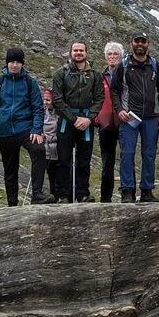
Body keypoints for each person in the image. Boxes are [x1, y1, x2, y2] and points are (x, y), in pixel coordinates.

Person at [0, 47, 46, 205]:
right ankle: (12, 203)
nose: (14, 65)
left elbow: (38, 107)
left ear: (22, 64)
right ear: (6, 64)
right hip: (5, 131)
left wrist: (37, 129)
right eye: (11, 62)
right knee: (10, 169)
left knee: (39, 150)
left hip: (25, 128)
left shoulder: (29, 82)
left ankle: (37, 194)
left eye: (17, 62)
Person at [111, 32, 159, 203]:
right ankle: (127, 191)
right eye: (137, 41)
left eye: (143, 41)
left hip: (151, 117)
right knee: (127, 153)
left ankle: (147, 191)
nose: (140, 44)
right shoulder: (123, 65)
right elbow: (114, 90)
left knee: (149, 154)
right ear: (131, 43)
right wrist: (119, 109)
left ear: (148, 44)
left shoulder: (155, 66)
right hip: (129, 117)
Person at [52, 42, 103, 203]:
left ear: (86, 52)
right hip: (67, 122)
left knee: (84, 160)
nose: (78, 53)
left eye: (81, 50)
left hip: (87, 121)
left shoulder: (95, 74)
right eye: (76, 50)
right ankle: (63, 195)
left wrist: (89, 118)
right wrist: (73, 119)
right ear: (71, 53)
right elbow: (57, 99)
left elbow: (100, 98)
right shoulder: (61, 73)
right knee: (63, 159)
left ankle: (83, 194)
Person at [95, 43, 123, 203]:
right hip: (105, 124)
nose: (112, 57)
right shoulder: (100, 76)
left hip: (124, 123)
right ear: (105, 57)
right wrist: (96, 118)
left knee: (127, 158)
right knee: (107, 163)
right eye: (110, 54)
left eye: (116, 54)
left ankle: (129, 194)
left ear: (120, 57)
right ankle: (105, 198)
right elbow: (95, 97)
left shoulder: (125, 75)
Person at [42, 88, 61, 201]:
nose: (45, 102)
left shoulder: (59, 113)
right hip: (46, 146)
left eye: (48, 100)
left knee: (59, 173)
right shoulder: (42, 112)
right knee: (50, 173)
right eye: (44, 100)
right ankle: (52, 195)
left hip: (58, 146)